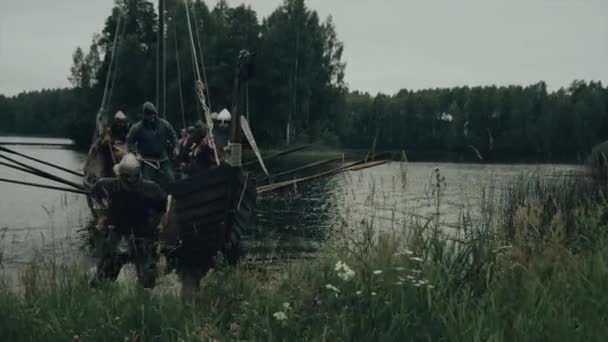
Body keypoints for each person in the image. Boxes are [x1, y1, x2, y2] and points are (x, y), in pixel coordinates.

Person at [89, 153, 167, 288]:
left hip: (143, 235)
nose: (130, 181)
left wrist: (156, 225)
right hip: (118, 231)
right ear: (120, 176)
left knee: (147, 283)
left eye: (134, 177)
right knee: (102, 280)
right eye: (126, 177)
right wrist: (102, 215)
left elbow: (164, 208)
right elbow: (95, 195)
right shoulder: (106, 185)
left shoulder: (151, 189)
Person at [126, 102, 178, 189]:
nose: (151, 116)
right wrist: (135, 153)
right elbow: (129, 141)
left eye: (153, 114)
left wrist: (176, 147)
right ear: (144, 115)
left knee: (171, 179)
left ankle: (174, 198)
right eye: (149, 115)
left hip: (162, 158)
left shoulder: (164, 124)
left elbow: (173, 135)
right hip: (147, 160)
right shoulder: (137, 128)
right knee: (148, 185)